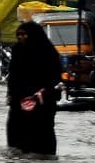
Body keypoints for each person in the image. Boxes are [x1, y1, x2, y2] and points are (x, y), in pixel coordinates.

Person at [6, 20, 63, 156]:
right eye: (18, 34)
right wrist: (10, 94)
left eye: (24, 34)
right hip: (19, 101)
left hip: (42, 102)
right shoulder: (17, 51)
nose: (20, 37)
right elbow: (13, 75)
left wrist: (43, 92)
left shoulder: (48, 52)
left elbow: (55, 77)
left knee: (42, 132)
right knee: (16, 132)